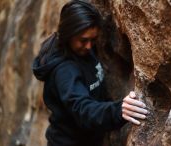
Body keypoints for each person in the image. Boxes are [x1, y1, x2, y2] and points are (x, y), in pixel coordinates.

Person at [32, 1, 148, 146]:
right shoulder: (64, 71)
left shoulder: (81, 50)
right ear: (68, 34)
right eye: (83, 40)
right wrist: (118, 110)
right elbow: (83, 109)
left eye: (93, 40)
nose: (89, 46)